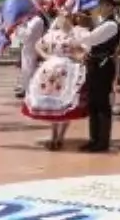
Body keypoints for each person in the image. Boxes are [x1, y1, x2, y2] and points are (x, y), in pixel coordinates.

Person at [22, 15, 91, 150]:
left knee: (66, 101)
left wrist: (76, 57)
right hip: (51, 70)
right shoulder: (52, 34)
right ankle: (55, 135)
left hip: (68, 70)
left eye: (65, 19)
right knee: (53, 101)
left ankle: (60, 136)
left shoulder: (75, 34)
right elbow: (38, 45)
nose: (62, 21)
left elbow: (84, 50)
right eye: (60, 19)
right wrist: (47, 56)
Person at [80, 0, 120, 153]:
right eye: (101, 5)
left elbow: (90, 39)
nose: (101, 8)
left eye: (104, 5)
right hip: (94, 64)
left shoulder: (111, 25)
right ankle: (93, 138)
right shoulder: (102, 23)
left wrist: (76, 29)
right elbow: (90, 44)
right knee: (93, 103)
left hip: (103, 65)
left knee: (102, 102)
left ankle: (103, 140)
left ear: (111, 7)